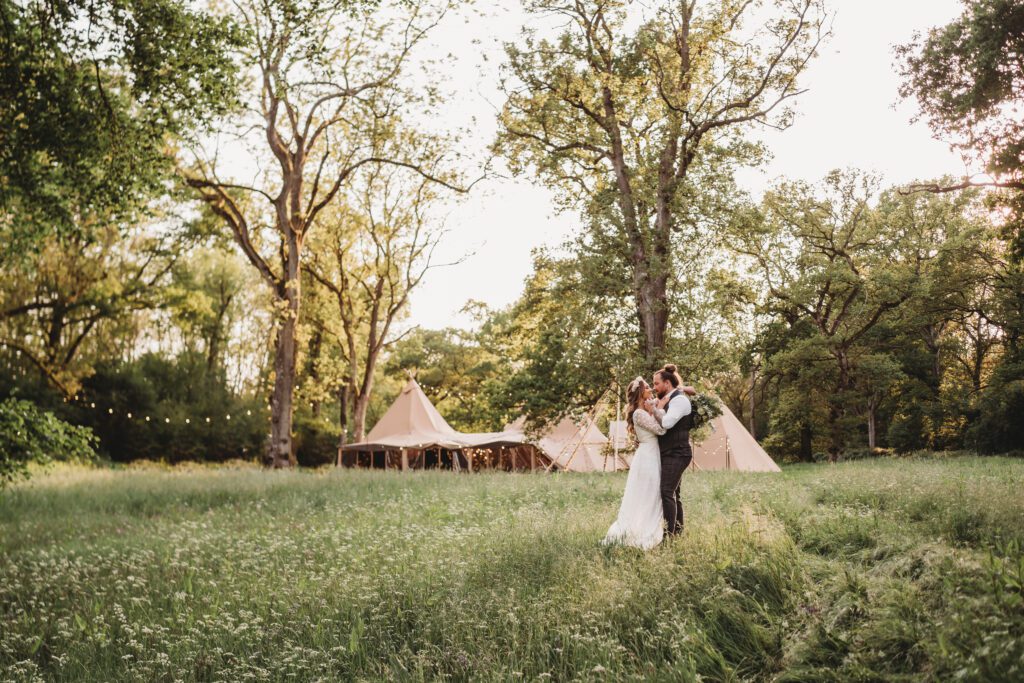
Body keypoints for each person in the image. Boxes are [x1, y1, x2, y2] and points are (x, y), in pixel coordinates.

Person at [601, 377, 667, 550]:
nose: (650, 389)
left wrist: (652, 410)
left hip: (651, 454)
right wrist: (654, 410)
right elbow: (661, 429)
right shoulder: (639, 413)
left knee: (650, 494)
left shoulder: (642, 411)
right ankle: (641, 532)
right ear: (640, 392)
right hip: (648, 457)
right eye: (646, 387)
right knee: (647, 495)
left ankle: (646, 528)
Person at [651, 364, 696, 537]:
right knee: (674, 493)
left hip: (678, 453)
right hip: (668, 452)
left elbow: (668, 423)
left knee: (666, 492)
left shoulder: (679, 400)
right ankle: (677, 531)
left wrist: (656, 409)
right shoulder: (667, 399)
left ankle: (668, 535)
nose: (654, 387)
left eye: (656, 384)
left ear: (667, 383)